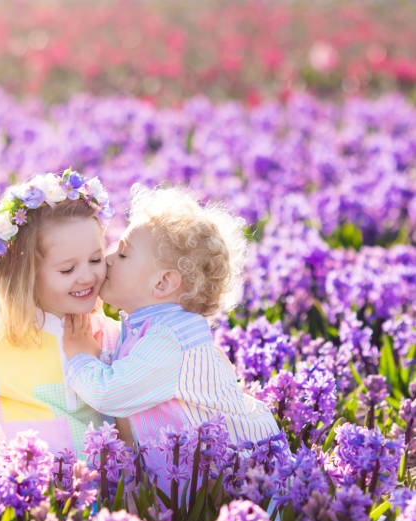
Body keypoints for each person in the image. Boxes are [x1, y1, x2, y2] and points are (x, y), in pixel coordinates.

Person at [63, 185, 280, 481]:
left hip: (230, 484)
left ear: (163, 283)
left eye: (124, 254)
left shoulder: (168, 341)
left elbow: (111, 393)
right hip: (195, 479)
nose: (109, 259)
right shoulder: (156, 328)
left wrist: (79, 356)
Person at [0, 169, 122, 461]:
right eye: (68, 269)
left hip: (109, 499)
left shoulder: (110, 334)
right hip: (31, 499)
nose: (87, 276)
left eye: (95, 259)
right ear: (26, 276)